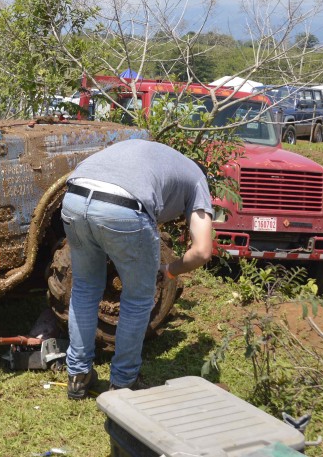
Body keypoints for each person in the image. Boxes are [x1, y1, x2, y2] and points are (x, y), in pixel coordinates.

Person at [60, 138, 213, 399]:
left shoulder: (161, 158)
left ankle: (78, 375)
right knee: (138, 298)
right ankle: (124, 381)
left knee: (84, 289)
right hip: (123, 207)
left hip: (74, 197)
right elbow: (201, 251)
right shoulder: (199, 179)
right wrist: (171, 269)